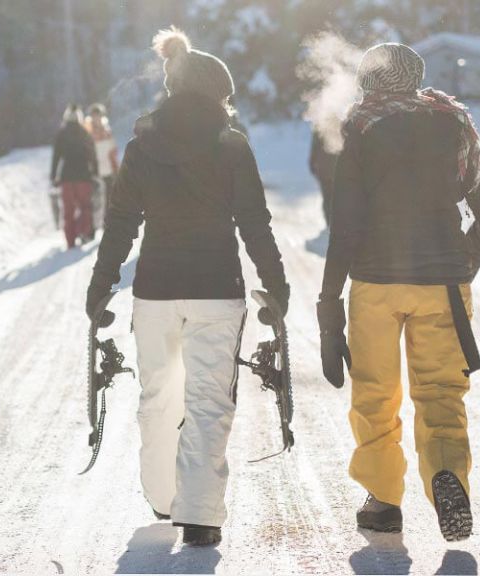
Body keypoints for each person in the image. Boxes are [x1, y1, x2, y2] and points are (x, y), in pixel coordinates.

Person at [86, 27, 288, 547]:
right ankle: (199, 514)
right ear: (219, 95)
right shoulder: (231, 145)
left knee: (158, 395)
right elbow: (255, 222)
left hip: (155, 290)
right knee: (207, 399)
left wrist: (101, 284)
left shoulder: (141, 144)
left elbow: (121, 222)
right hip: (217, 289)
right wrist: (276, 284)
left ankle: (162, 497)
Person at [317, 43, 480, 542]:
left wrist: (328, 302)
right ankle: (447, 474)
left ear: (370, 81)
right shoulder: (454, 124)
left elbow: (347, 227)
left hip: (376, 284)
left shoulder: (361, 128)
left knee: (376, 393)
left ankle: (382, 501)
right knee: (442, 392)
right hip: (443, 284)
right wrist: (466, 260)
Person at [50, 104, 98, 248]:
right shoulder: (84, 132)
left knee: (68, 210)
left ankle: (70, 241)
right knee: (85, 207)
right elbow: (92, 155)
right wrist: (95, 173)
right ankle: (83, 231)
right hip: (84, 176)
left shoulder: (61, 134)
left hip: (66, 178)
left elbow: (56, 157)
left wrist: (53, 176)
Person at [86, 103, 119, 224]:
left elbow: (113, 151)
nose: (97, 118)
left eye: (98, 116)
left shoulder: (107, 131)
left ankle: (106, 224)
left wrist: (116, 168)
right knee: (94, 200)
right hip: (94, 171)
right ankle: (92, 227)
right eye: (94, 116)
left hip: (108, 170)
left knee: (108, 199)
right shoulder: (87, 132)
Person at [308, 129, 339, 227]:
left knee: (327, 197)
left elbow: (314, 147)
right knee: (337, 197)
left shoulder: (320, 125)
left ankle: (329, 222)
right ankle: (336, 221)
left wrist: (312, 164)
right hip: (337, 168)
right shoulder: (340, 122)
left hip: (324, 169)